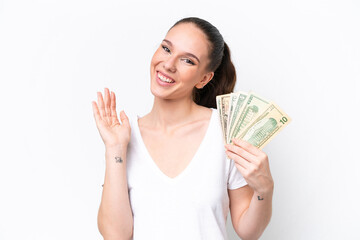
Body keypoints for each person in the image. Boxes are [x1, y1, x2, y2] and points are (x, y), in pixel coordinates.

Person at [92, 17, 274, 240]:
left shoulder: (226, 133)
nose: (168, 64)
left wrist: (264, 190)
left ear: (204, 78)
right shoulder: (124, 137)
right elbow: (116, 236)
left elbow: (248, 231)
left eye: (187, 61)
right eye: (166, 48)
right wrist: (114, 149)